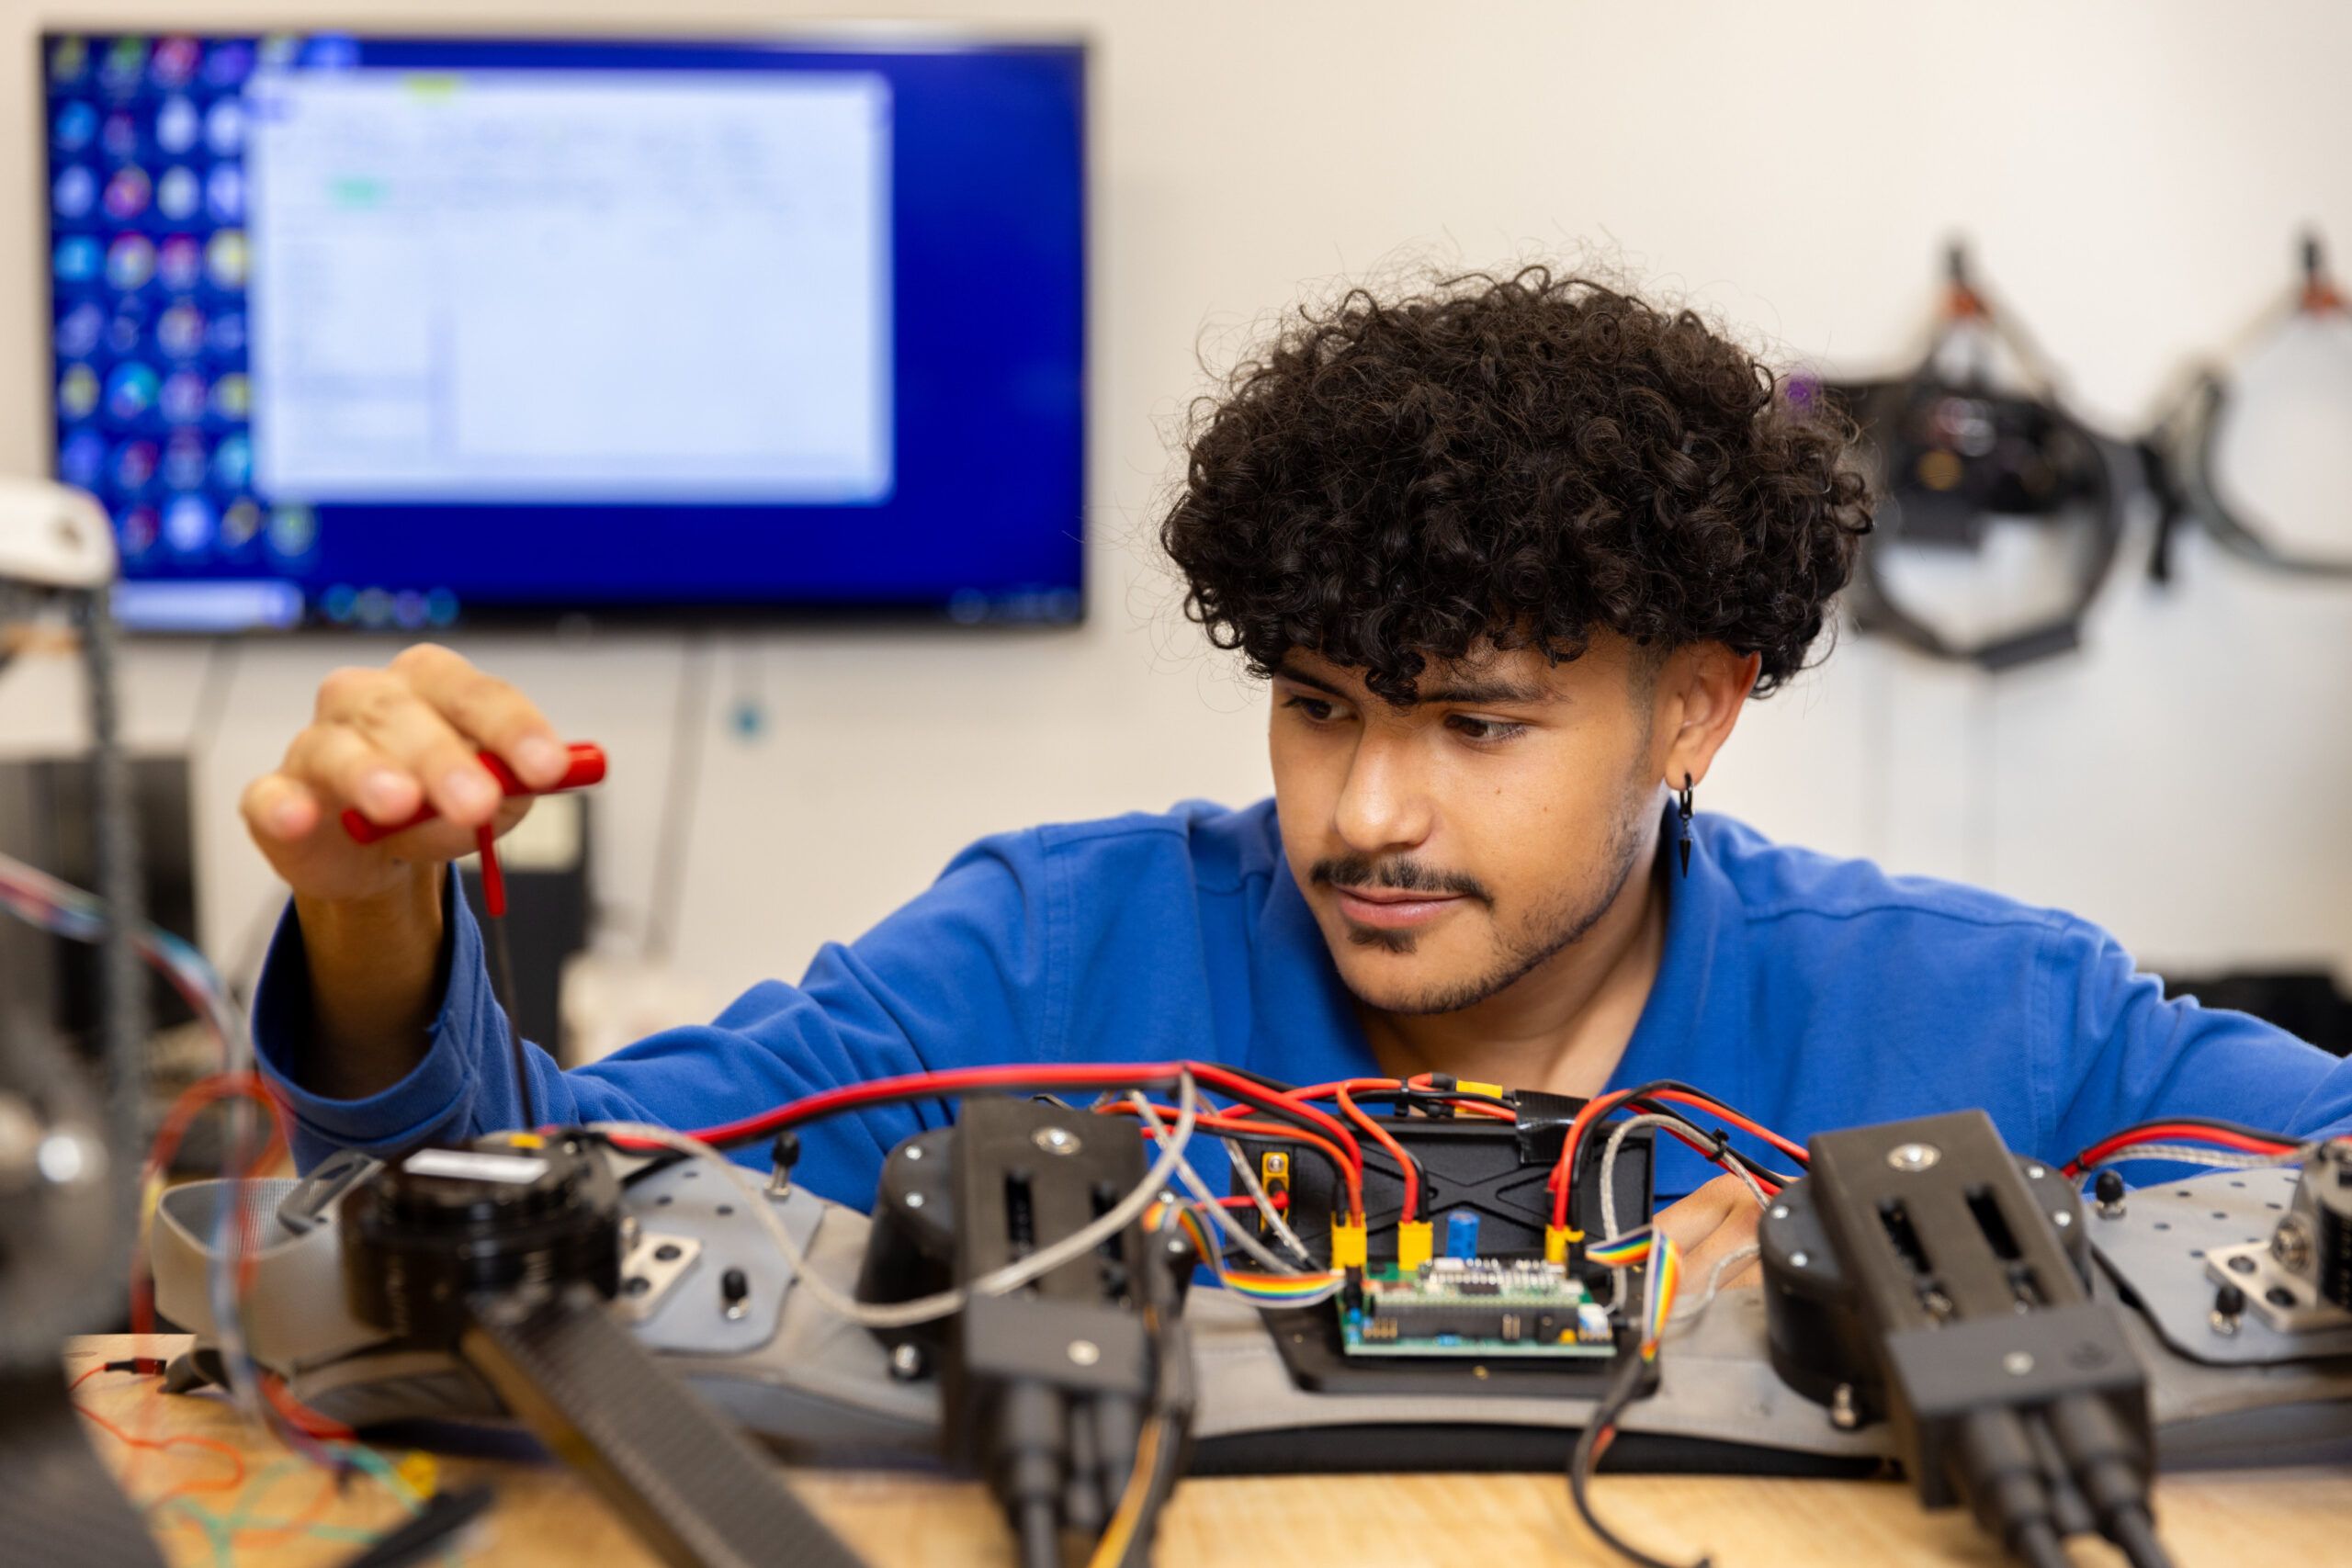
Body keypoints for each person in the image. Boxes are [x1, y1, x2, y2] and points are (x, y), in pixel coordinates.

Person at [239, 268, 2352, 1287]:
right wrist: (366, 913)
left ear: (1694, 708)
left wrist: (1920, 1253)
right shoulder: (1041, 958)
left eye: (1475, 721)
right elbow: (484, 1223)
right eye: (1319, 702)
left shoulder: (1983, 1016)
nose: (1360, 813)